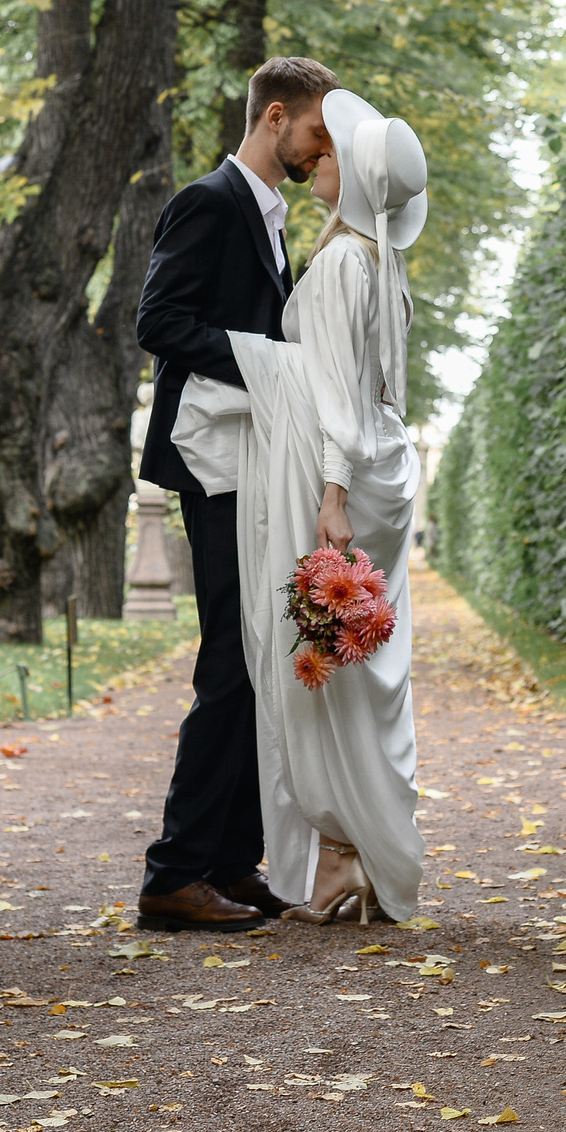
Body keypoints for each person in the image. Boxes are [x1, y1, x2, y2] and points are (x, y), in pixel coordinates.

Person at [169, 89, 428, 926]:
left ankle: (333, 853)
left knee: (299, 671)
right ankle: (311, 856)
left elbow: (339, 396)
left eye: (335, 149)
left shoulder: (344, 261)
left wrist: (330, 494)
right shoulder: (373, 261)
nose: (322, 153)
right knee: (309, 673)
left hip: (327, 478)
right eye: (319, 137)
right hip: (347, 470)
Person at [131, 56, 340, 932]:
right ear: (275, 115)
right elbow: (159, 321)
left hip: (253, 458)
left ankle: (228, 859)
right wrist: (270, 360)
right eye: (317, 133)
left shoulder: (271, 216)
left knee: (258, 657)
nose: (322, 149)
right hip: (212, 461)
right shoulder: (208, 202)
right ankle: (173, 873)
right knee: (229, 659)